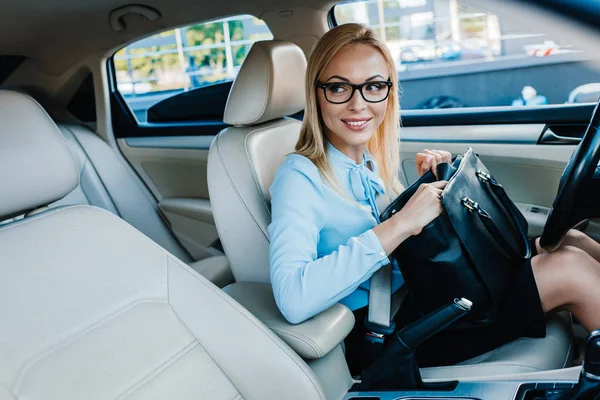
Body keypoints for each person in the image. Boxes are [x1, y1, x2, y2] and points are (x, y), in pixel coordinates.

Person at [268, 23, 600, 373]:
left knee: (571, 240)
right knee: (568, 269)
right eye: (338, 87)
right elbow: (293, 297)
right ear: (316, 93)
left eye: (373, 87)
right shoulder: (299, 175)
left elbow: (398, 252)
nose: (357, 104)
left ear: (389, 92)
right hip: (387, 332)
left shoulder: (366, 161)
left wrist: (427, 185)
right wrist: (403, 221)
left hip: (424, 298)